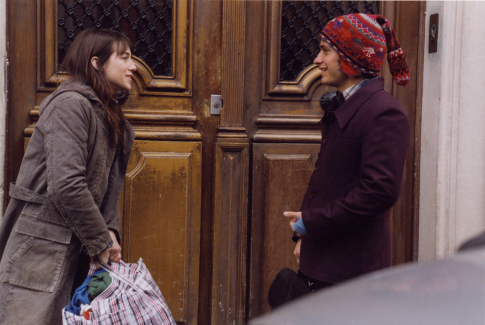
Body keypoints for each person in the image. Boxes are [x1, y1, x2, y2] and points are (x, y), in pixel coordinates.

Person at [0, 29, 136, 324]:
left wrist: (110, 230)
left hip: (81, 247)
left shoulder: (113, 120)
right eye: (124, 57)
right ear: (96, 63)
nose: (133, 66)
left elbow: (108, 190)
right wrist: (101, 242)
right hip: (42, 248)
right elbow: (66, 186)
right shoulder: (70, 106)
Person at [284, 14, 411, 293]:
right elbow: (330, 183)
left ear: (353, 59)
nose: (317, 60)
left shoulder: (383, 112)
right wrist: (306, 237)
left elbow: (378, 192)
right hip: (326, 258)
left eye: (326, 51)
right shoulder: (348, 105)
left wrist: (311, 224)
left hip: (351, 271)